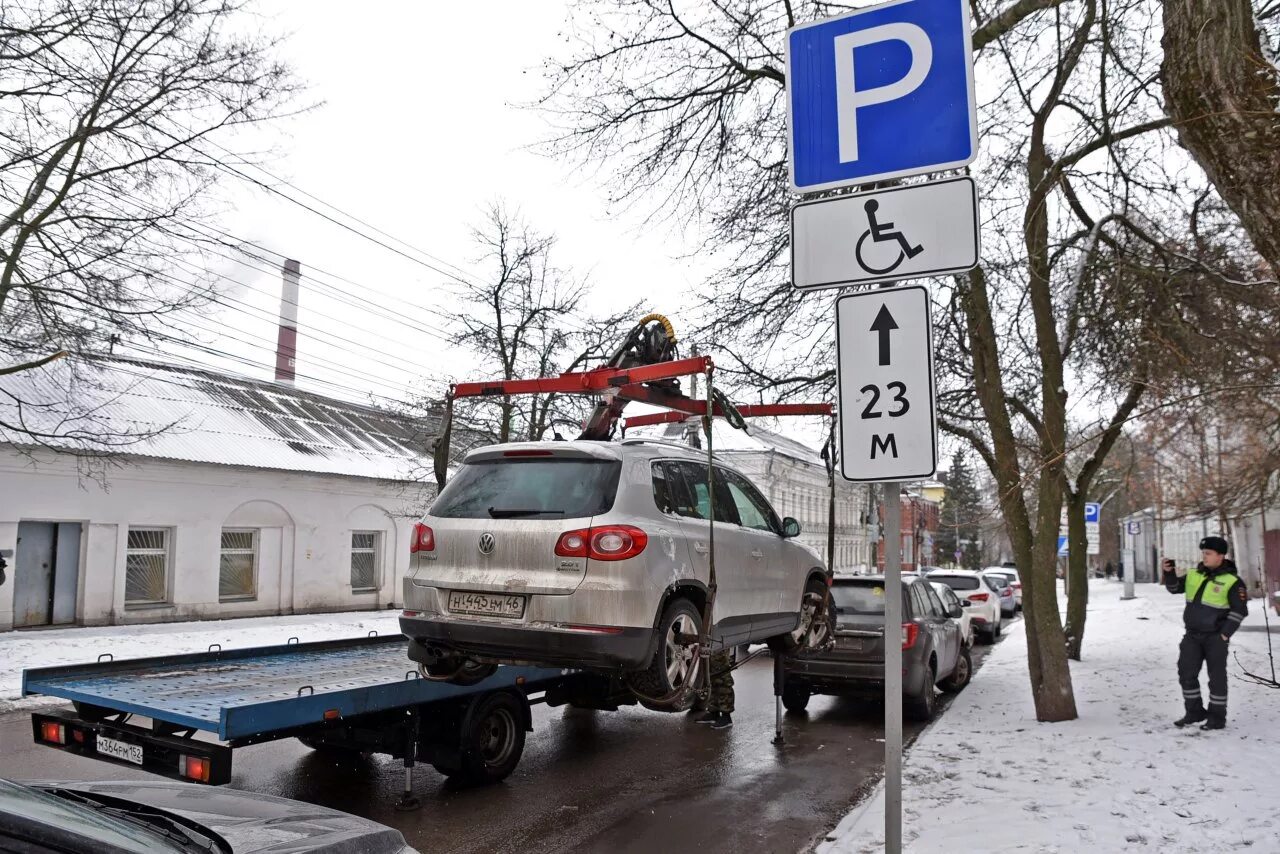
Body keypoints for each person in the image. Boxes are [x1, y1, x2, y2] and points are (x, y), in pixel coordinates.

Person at [1163, 537, 1248, 730]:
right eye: (1203, 553)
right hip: (1192, 636)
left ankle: (1217, 718)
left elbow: (1239, 610)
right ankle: (1194, 712)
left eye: (1208, 553)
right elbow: (1174, 588)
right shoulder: (1195, 574)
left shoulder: (1233, 581)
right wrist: (1169, 573)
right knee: (1186, 674)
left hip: (1215, 638)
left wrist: (1224, 635)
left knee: (1216, 678)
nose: (1205, 557)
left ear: (1221, 556)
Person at [694, 648, 734, 730]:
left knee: (721, 674)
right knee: (711, 676)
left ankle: (726, 716)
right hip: (710, 641)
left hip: (719, 640)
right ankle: (714, 712)